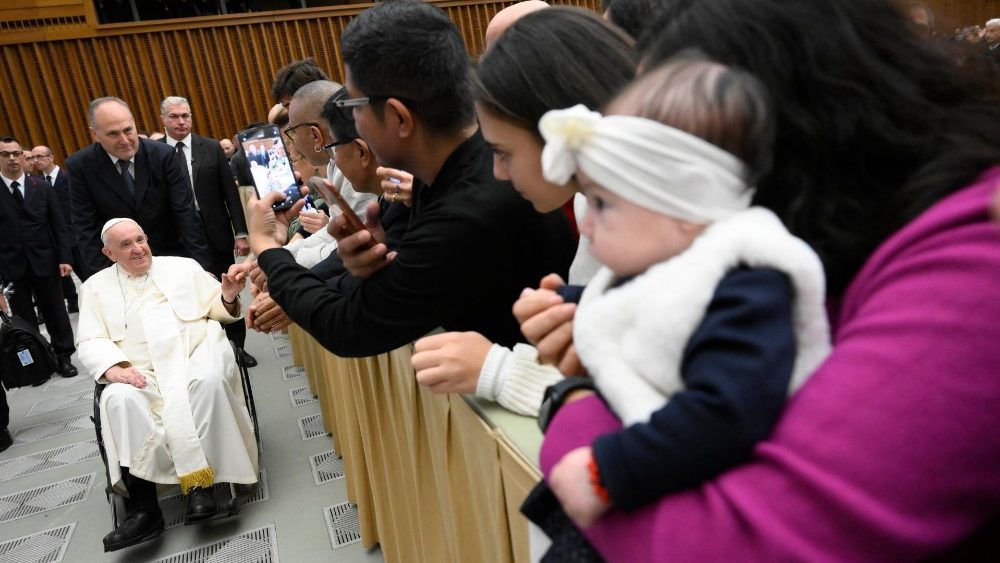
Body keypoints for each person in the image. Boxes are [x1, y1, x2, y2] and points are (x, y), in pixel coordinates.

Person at [520, 0, 1000, 559]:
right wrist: (641, 344)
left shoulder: (971, 263)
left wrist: (575, 410)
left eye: (672, 151)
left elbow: (729, 542)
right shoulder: (842, 233)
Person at [532, 59, 830, 542]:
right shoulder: (680, 259)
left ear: (687, 207)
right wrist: (571, 304)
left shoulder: (751, 284)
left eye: (603, 204)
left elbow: (727, 412)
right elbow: (657, 307)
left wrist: (609, 470)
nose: (585, 225)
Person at [246, 0, 577, 357]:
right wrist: (379, 261)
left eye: (354, 108)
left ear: (399, 118)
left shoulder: (467, 207)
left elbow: (349, 327)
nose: (353, 127)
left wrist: (266, 247)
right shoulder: (450, 173)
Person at [411, 7, 635, 414]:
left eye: (503, 153)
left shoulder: (655, 224)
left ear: (558, 132)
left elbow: (654, 400)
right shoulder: (600, 201)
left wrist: (500, 371)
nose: (498, 172)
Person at [77, 218, 258, 552]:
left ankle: (202, 487)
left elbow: (218, 309)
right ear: (108, 253)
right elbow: (89, 340)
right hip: (139, 370)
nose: (138, 249)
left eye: (140, 239)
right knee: (117, 399)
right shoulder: (94, 288)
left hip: (191, 353)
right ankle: (144, 509)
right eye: (126, 245)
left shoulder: (183, 267)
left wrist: (229, 295)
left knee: (208, 380)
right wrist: (113, 367)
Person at [66, 97, 211, 280]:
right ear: (95, 134)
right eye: (113, 134)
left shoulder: (163, 156)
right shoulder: (81, 166)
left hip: (171, 257)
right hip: (120, 268)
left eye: (128, 130)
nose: (125, 140)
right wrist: (103, 279)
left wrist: (201, 268)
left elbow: (186, 215)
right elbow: (85, 228)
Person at [160, 96, 256, 367]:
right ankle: (202, 353)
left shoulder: (211, 147)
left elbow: (230, 194)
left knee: (227, 289)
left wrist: (241, 232)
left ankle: (238, 347)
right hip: (175, 239)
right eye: (175, 117)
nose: (181, 121)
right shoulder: (154, 152)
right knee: (187, 295)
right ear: (163, 120)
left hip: (214, 232)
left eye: (186, 115)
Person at [0, 136, 78, 378]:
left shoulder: (41, 187)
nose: (12, 158)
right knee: (23, 317)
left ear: (24, 158)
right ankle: (37, 364)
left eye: (16, 153)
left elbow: (59, 225)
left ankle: (64, 356)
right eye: (5, 154)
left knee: (56, 311)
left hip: (45, 260)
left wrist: (65, 258)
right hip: (12, 265)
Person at [32, 144, 82, 314]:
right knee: (63, 278)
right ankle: (73, 301)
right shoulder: (36, 184)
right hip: (55, 241)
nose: (36, 161)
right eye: (33, 158)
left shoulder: (69, 177)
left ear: (51, 157)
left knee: (88, 275)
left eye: (40, 156)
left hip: (75, 237)